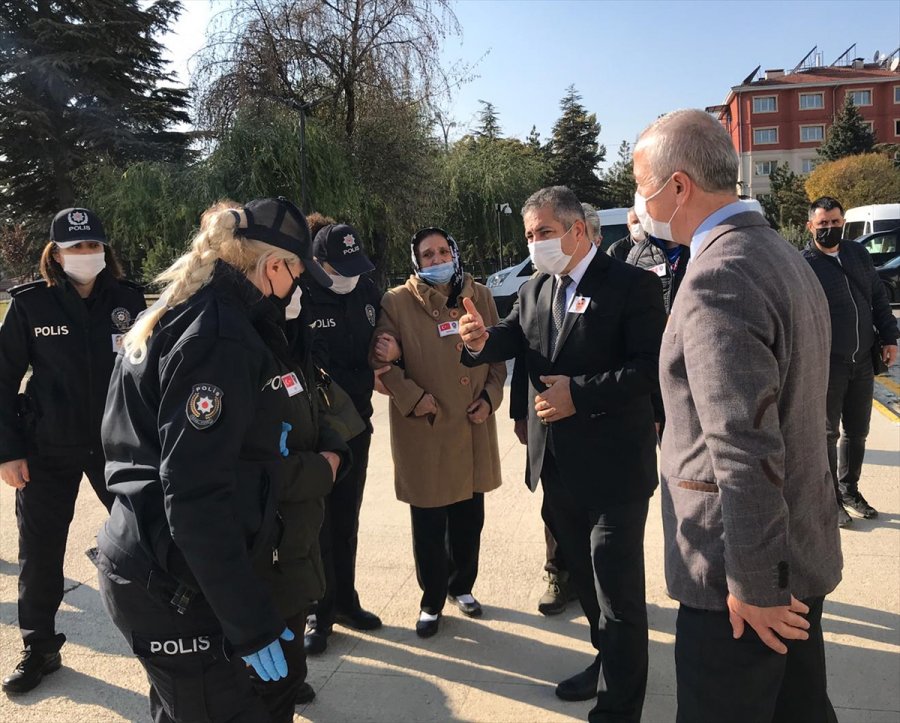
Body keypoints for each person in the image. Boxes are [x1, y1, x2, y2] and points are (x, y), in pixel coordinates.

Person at [95, 197, 347, 723]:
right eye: (297, 273)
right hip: (173, 576)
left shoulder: (191, 310)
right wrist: (249, 622)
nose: (297, 288)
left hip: (164, 560)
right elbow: (193, 494)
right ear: (273, 266)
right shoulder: (220, 336)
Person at [633, 109, 843, 723]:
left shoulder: (718, 276)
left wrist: (754, 586)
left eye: (642, 185)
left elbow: (744, 448)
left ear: (678, 187)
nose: (638, 203)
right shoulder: (780, 253)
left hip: (742, 580)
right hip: (794, 553)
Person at [460, 186, 665, 721]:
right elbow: (513, 338)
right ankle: (606, 668)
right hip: (558, 468)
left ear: (578, 230)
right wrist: (478, 342)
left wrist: (580, 392)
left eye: (544, 233)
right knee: (590, 592)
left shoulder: (632, 285)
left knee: (618, 598)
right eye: (529, 235)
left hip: (615, 469)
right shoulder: (534, 288)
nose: (535, 244)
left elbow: (650, 368)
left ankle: (620, 709)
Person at [0, 208, 145, 694]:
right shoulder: (30, 305)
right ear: (56, 254)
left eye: (93, 246)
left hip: (117, 447)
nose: (86, 255)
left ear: (105, 249)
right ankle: (39, 646)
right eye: (75, 248)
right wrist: (8, 451)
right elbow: (2, 381)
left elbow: (149, 377)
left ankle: (167, 636)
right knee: (40, 552)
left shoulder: (127, 301)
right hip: (47, 447)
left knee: (146, 540)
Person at [370, 227, 505, 638]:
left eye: (443, 251)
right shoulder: (396, 302)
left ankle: (461, 586)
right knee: (429, 522)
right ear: (416, 261)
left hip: (471, 424)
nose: (436, 259)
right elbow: (382, 363)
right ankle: (431, 598)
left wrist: (491, 397)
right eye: (427, 255)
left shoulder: (478, 295)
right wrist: (413, 399)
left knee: (469, 517)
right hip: (426, 428)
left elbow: (499, 354)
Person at [301, 222, 384, 655]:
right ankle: (319, 610)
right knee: (317, 523)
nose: (349, 275)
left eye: (354, 265)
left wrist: (387, 350)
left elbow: (376, 344)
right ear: (317, 262)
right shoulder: (301, 296)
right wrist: (364, 374)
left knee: (346, 518)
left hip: (359, 424)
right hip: (317, 431)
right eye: (340, 266)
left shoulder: (364, 289)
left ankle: (346, 599)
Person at [802, 196, 898, 528]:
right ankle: (831, 501)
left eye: (835, 222)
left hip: (863, 360)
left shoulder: (857, 254)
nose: (829, 228)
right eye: (823, 223)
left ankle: (850, 489)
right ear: (810, 226)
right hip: (828, 363)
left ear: (843, 223)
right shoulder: (805, 263)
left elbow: (878, 298)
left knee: (857, 432)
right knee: (828, 433)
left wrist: (889, 337)